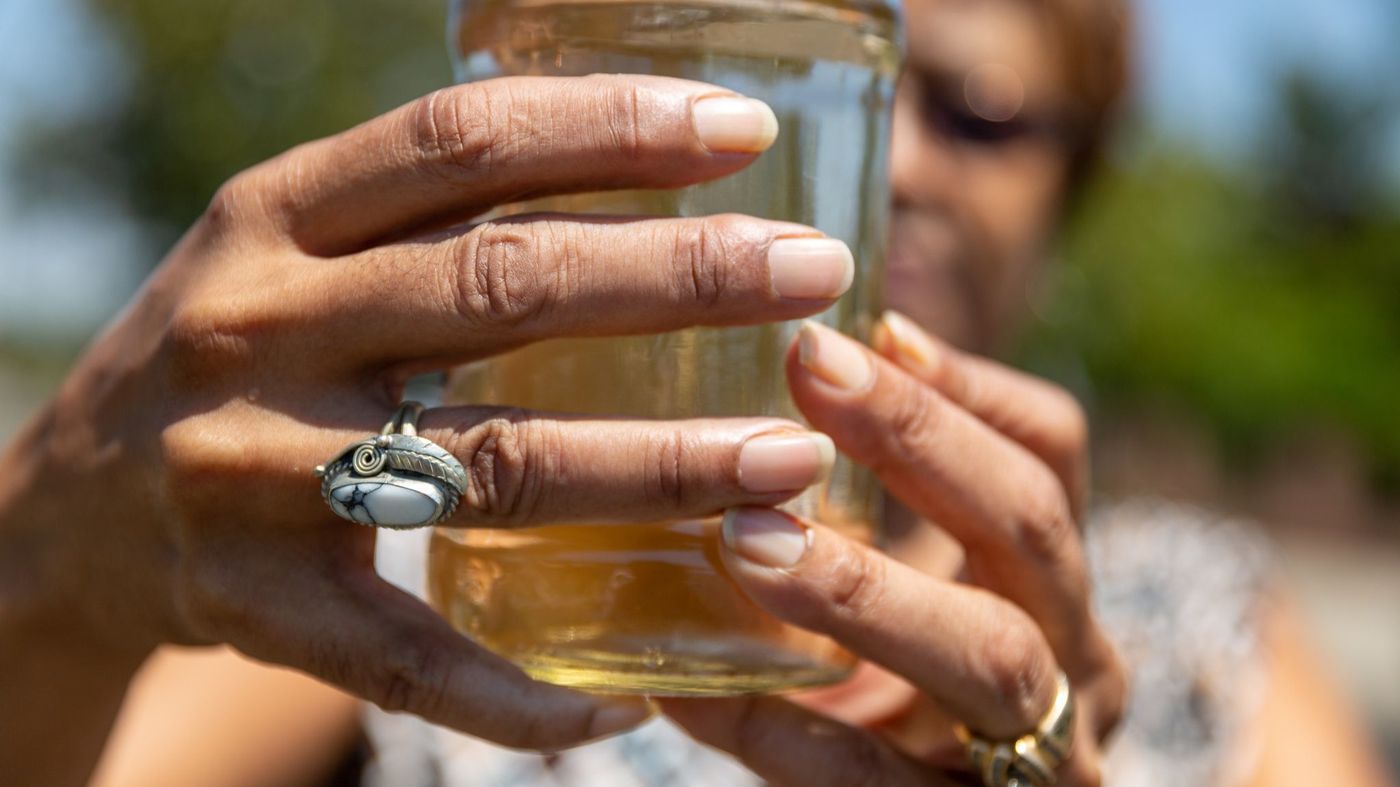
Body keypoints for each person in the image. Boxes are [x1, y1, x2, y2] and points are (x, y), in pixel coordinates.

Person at [0, 0, 1390, 785]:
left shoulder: (1203, 626)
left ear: (1071, 194)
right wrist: (50, 554)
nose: (888, 161)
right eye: (778, 70)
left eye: (976, 110)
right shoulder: (421, 560)